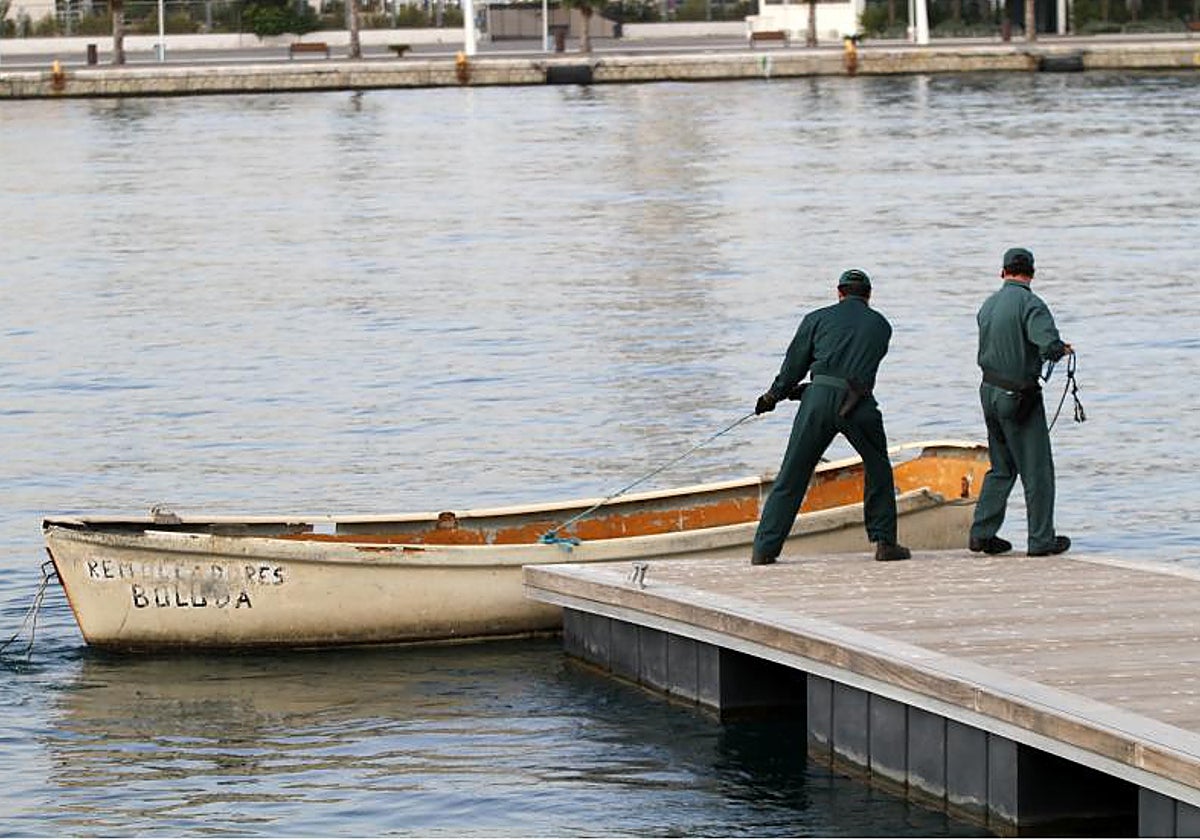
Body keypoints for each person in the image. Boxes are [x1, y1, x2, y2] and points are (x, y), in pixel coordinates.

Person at [750, 269, 911, 566]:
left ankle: (764, 550)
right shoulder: (881, 325)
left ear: (839, 292)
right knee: (878, 468)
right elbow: (859, 368)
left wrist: (773, 396)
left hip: (817, 401)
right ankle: (885, 542)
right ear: (868, 295)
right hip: (858, 404)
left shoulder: (816, 318)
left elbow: (794, 366)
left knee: (792, 474)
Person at [968, 247, 1073, 557]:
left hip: (989, 392)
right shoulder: (1032, 304)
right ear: (1032, 274)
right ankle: (1041, 541)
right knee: (1037, 469)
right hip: (1019, 397)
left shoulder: (988, 305)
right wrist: (1059, 349)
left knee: (1001, 466)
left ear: (1003, 272)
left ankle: (982, 533)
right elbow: (1046, 345)